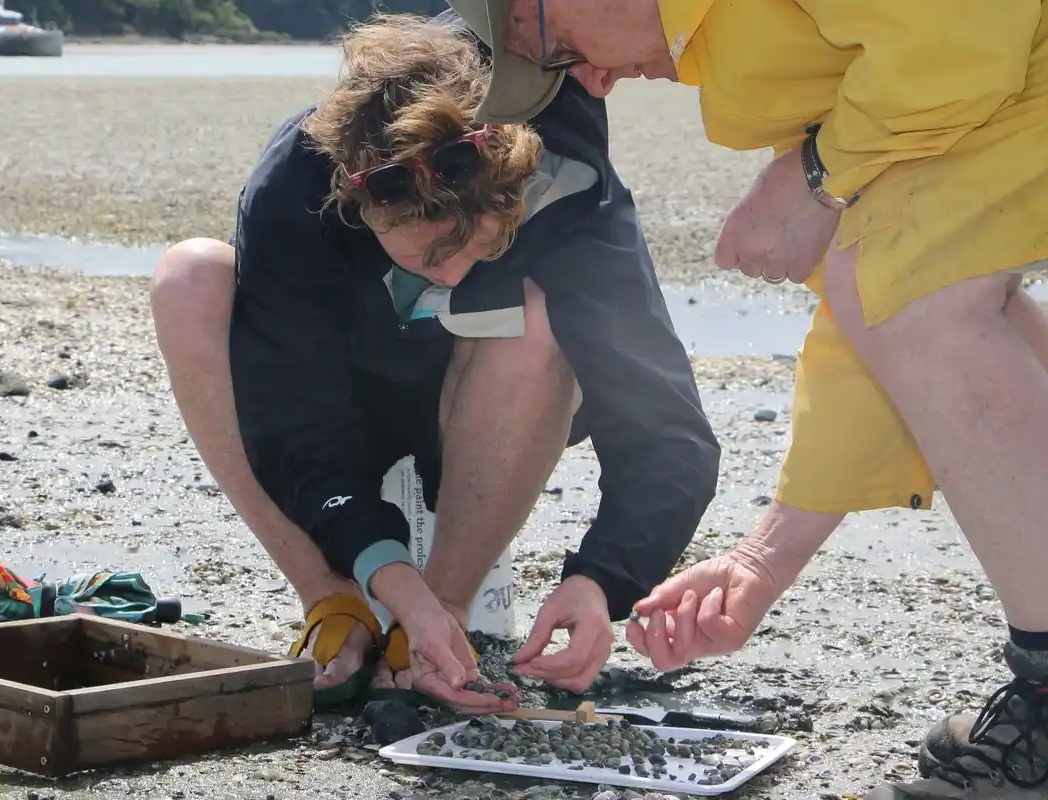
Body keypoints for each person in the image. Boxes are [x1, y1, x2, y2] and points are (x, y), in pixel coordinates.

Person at [444, 0, 1048, 797]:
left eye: (559, 50)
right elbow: (864, 306)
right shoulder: (756, 45)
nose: (593, 82)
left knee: (926, 292)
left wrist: (815, 177)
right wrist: (762, 562)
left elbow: (963, 36)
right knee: (945, 288)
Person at [149, 11, 720, 714]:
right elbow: (294, 424)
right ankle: (333, 604)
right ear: (360, 199)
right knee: (189, 277)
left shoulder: (568, 184)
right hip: (343, 398)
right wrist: (383, 573)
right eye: (427, 257)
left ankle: (442, 616)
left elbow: (669, 427)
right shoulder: (296, 184)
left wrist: (604, 579)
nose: (449, 279)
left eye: (477, 252)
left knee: (541, 317)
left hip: (476, 409)